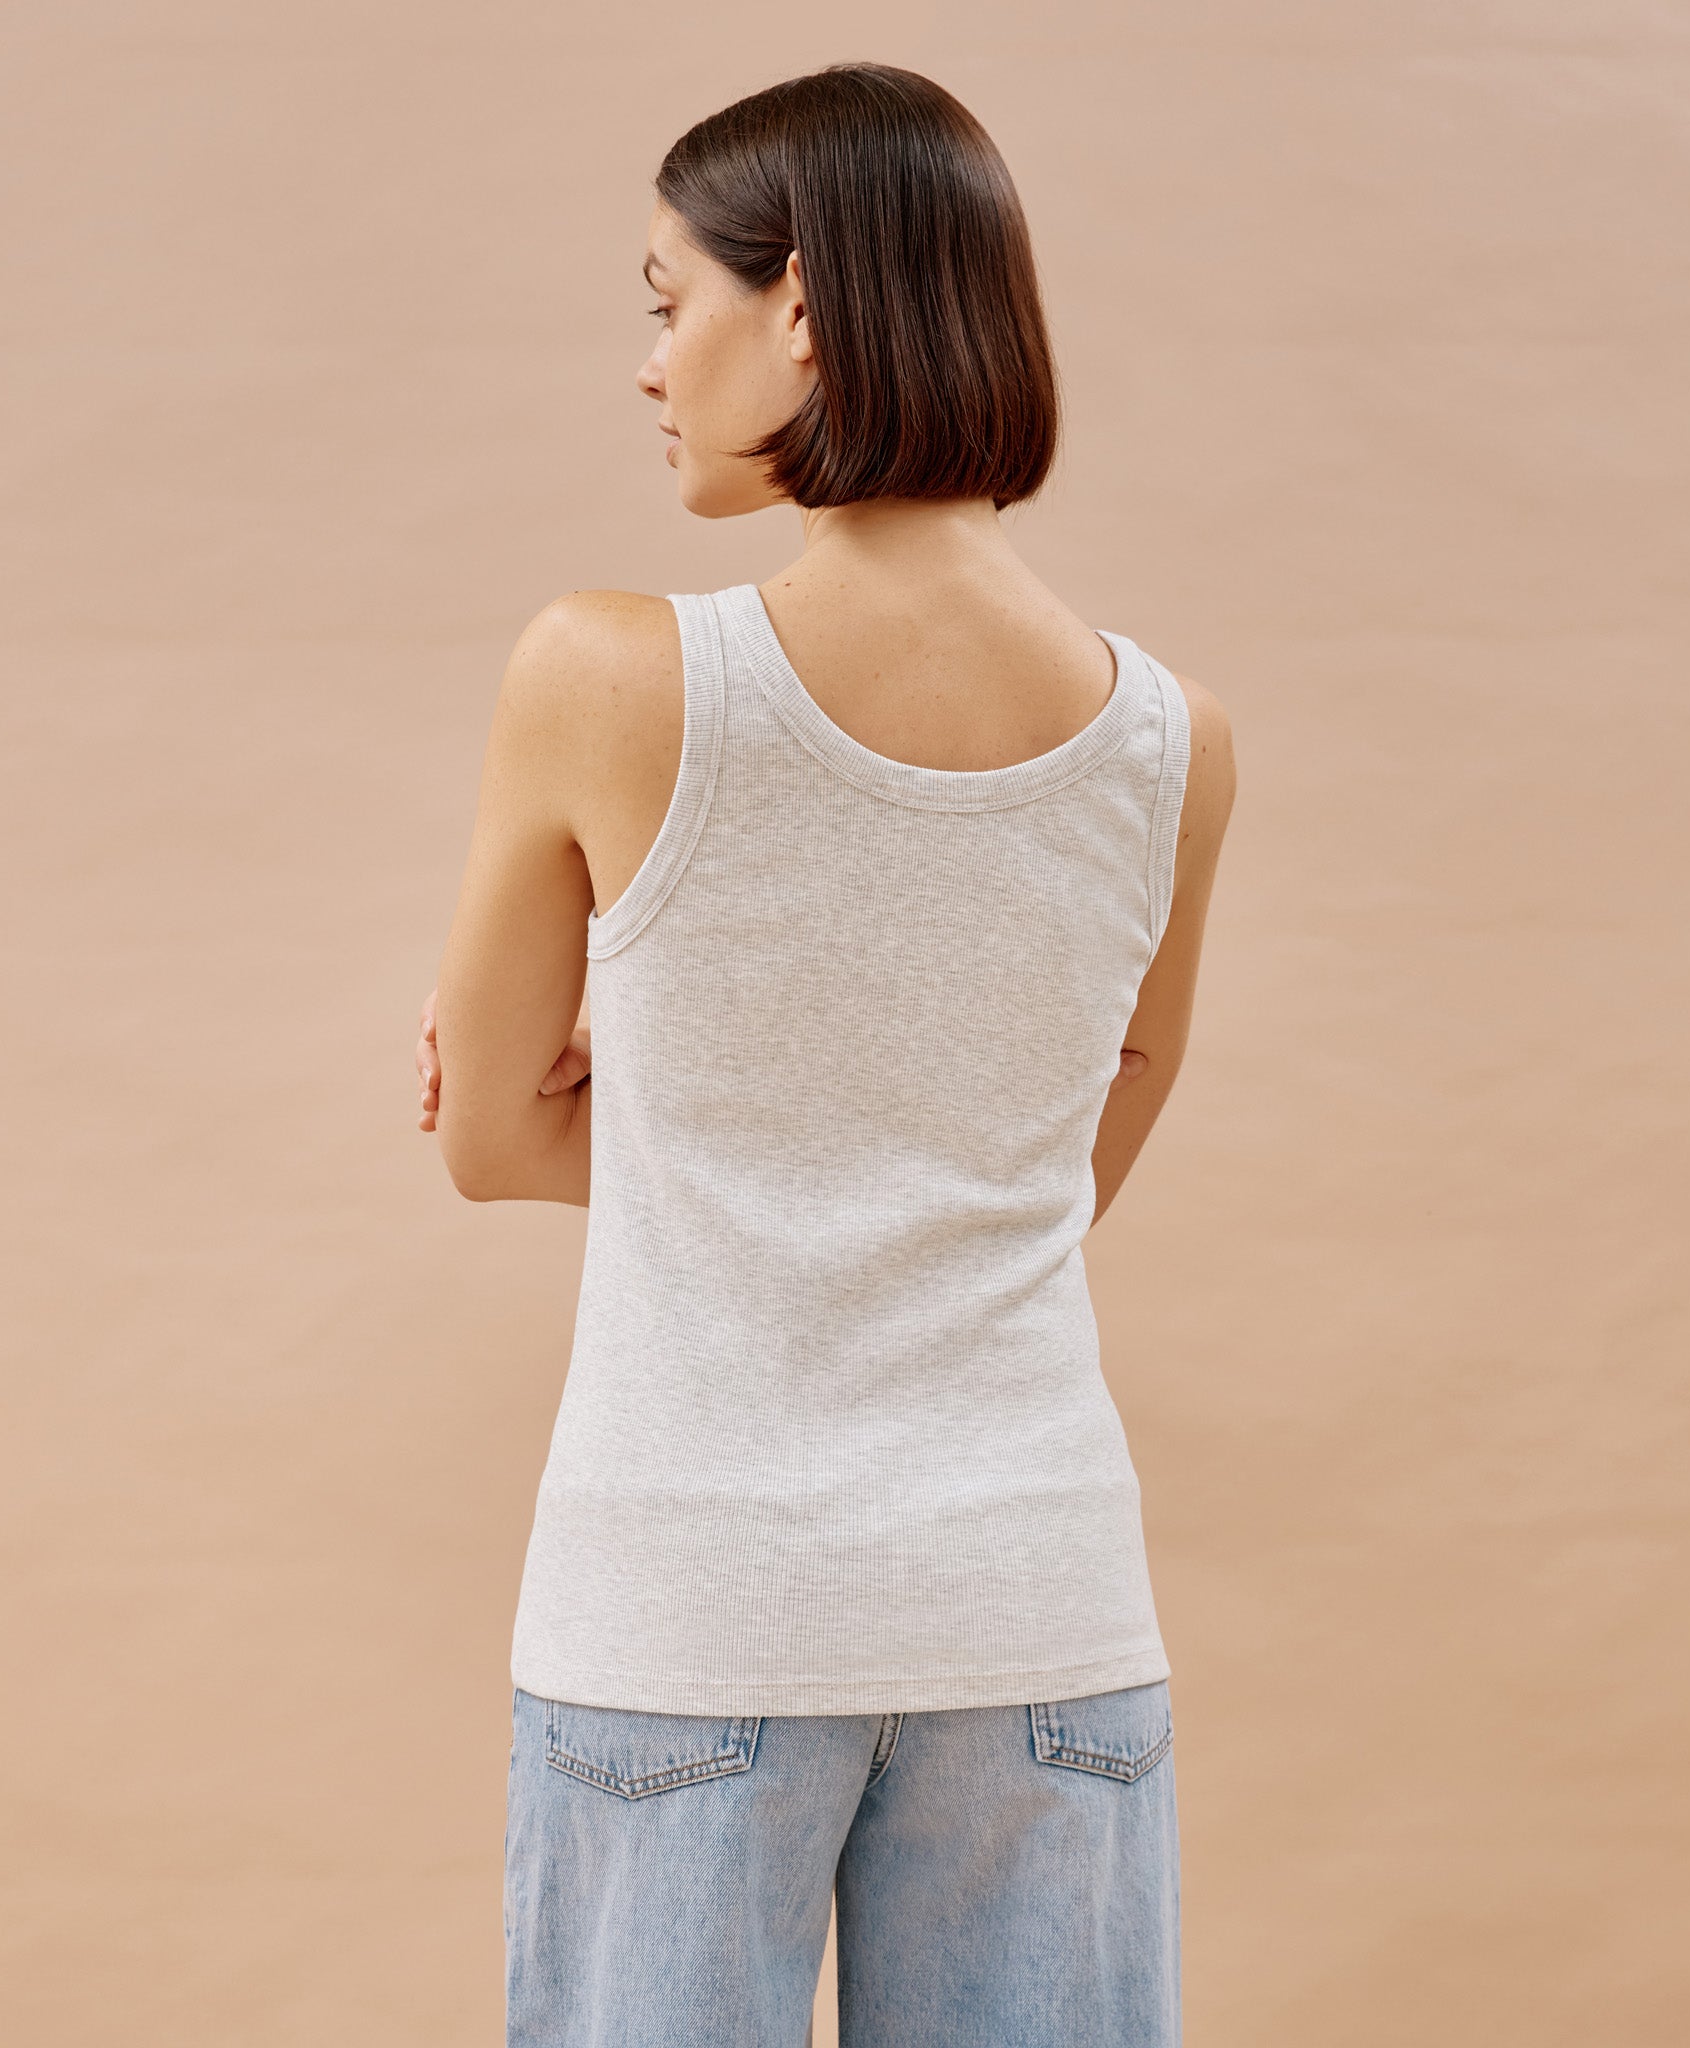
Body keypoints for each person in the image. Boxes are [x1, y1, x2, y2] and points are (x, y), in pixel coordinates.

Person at [414, 60, 1235, 2048]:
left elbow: (490, 1140)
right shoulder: (1173, 747)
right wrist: (862, 1134)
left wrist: (671, 1112)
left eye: (666, 297)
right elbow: (1051, 1173)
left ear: (798, 305)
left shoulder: (606, 674)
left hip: (693, 1610)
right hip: (1040, 1616)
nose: (649, 362)